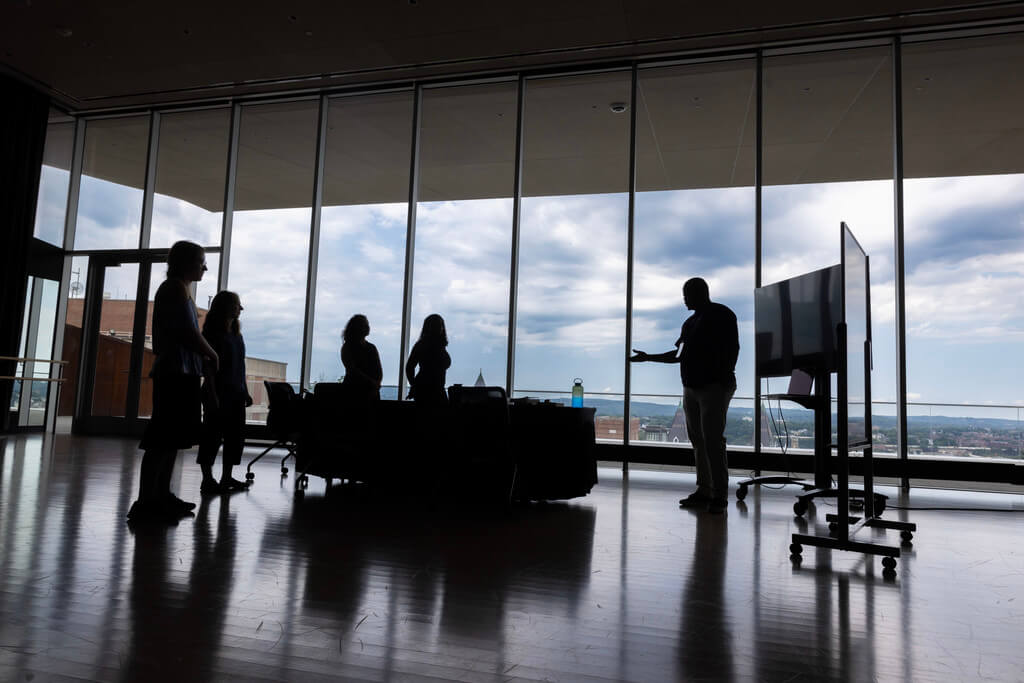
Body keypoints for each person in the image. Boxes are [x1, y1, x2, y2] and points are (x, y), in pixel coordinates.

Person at [631, 277, 738, 513]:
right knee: (702, 440)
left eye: (686, 295)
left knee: (709, 440)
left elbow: (679, 355)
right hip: (698, 386)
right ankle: (708, 491)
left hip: (710, 386)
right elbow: (680, 355)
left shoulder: (702, 320)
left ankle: (715, 493)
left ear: (698, 293)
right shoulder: (706, 319)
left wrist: (720, 378)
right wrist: (648, 357)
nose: (684, 300)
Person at [129, 241, 218, 522]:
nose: (205, 266)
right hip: (176, 373)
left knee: (170, 440)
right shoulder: (175, 289)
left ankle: (159, 496)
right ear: (186, 262)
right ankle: (146, 502)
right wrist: (211, 352)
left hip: (182, 371)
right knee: (162, 439)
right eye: (201, 261)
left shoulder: (179, 289)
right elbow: (188, 332)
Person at [197, 290, 253, 495]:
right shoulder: (213, 335)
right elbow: (208, 367)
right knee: (212, 437)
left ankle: (226, 477)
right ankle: (208, 479)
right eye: (237, 304)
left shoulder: (236, 335)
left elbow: (241, 366)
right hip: (219, 392)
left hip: (235, 393)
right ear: (227, 307)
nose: (241, 308)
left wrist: (244, 391)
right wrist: (212, 394)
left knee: (234, 438)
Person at [405, 314, 451, 405]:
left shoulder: (426, 345)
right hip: (430, 390)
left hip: (429, 389)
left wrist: (414, 385)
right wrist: (415, 386)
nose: (440, 328)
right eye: (438, 325)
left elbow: (409, 367)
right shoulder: (428, 345)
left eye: (440, 325)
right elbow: (409, 367)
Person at [341, 314, 383, 401]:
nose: (368, 327)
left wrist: (376, 384)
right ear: (357, 328)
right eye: (365, 325)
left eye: (367, 324)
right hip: (355, 390)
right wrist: (374, 383)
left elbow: (378, 370)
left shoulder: (371, 347)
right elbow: (352, 370)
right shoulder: (348, 347)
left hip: (369, 390)